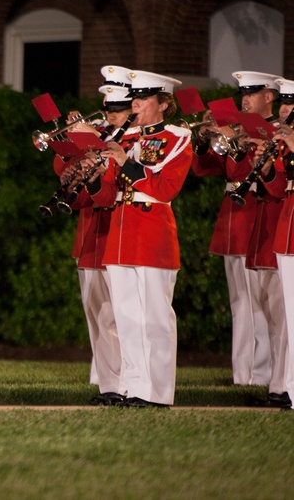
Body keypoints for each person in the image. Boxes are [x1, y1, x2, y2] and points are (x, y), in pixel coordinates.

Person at [82, 69, 192, 408]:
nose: (136, 105)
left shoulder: (177, 138)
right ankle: (131, 388)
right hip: (120, 231)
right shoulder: (128, 139)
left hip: (152, 230)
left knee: (155, 317)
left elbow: (165, 188)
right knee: (127, 318)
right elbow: (106, 196)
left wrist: (124, 164)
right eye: (135, 99)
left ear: (163, 104)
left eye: (143, 99)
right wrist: (92, 178)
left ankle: (156, 392)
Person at [190, 71, 276, 388]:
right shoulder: (239, 130)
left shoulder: (270, 132)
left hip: (256, 215)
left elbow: (250, 169)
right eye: (244, 92)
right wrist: (203, 140)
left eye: (253, 92)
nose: (246, 98)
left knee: (259, 302)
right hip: (233, 218)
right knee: (240, 304)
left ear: (269, 96)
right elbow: (207, 167)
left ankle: (262, 373)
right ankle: (244, 373)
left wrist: (230, 136)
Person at [60, 67, 135, 405]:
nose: (110, 116)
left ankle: (130, 384)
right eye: (107, 109)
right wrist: (71, 148)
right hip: (92, 229)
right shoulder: (100, 133)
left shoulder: (136, 138)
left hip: (122, 229)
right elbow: (65, 175)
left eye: (117, 109)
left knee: (124, 314)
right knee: (98, 313)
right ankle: (109, 386)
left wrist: (99, 144)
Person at [256, 76, 294, 411]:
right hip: (286, 231)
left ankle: (285, 386)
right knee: (284, 314)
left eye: (291, 104)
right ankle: (283, 384)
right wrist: (267, 169)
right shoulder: (283, 141)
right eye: (283, 102)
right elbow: (281, 189)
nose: (284, 109)